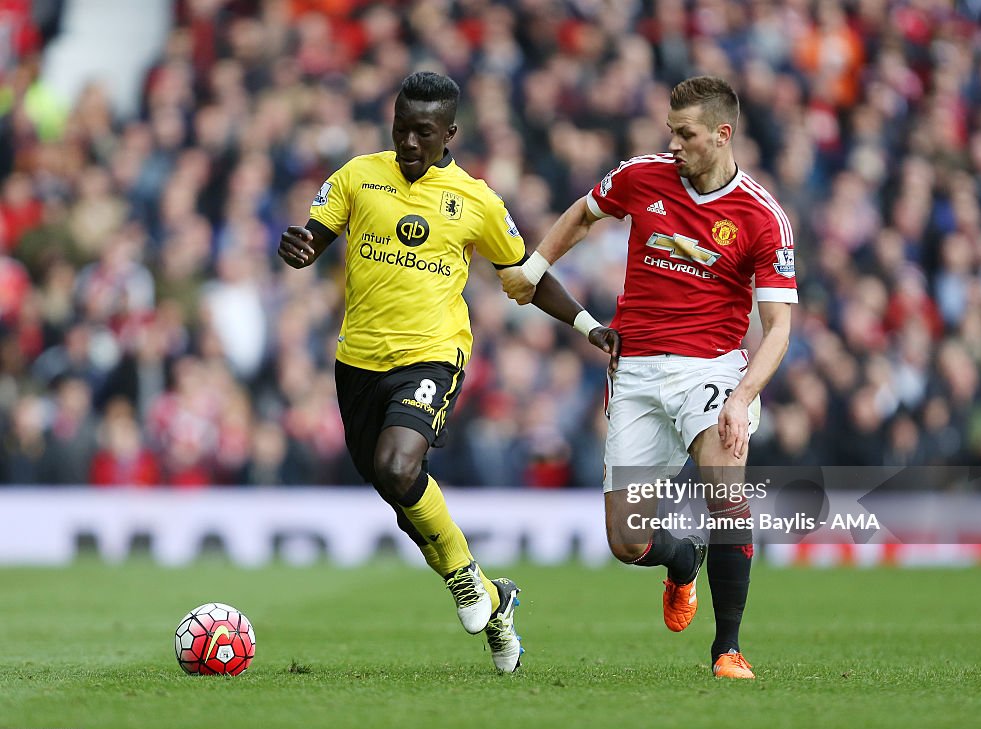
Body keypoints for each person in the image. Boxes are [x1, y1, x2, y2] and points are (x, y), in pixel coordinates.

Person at [276, 72, 620, 674]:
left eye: (423, 132)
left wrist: (589, 326)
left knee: (397, 464)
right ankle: (489, 595)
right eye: (401, 129)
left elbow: (524, 277)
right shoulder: (357, 176)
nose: (409, 142)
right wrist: (302, 247)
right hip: (357, 362)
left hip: (433, 356)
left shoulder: (477, 201)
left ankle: (466, 584)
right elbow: (317, 234)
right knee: (396, 488)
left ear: (450, 134)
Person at [498, 76, 797, 679]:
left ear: (723, 134)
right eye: (671, 132)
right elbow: (585, 214)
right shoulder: (642, 176)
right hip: (633, 370)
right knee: (627, 541)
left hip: (710, 371)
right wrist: (534, 267)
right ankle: (681, 562)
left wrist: (742, 398)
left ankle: (728, 649)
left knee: (726, 491)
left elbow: (778, 327)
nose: (675, 144)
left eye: (686, 135)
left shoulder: (762, 218)